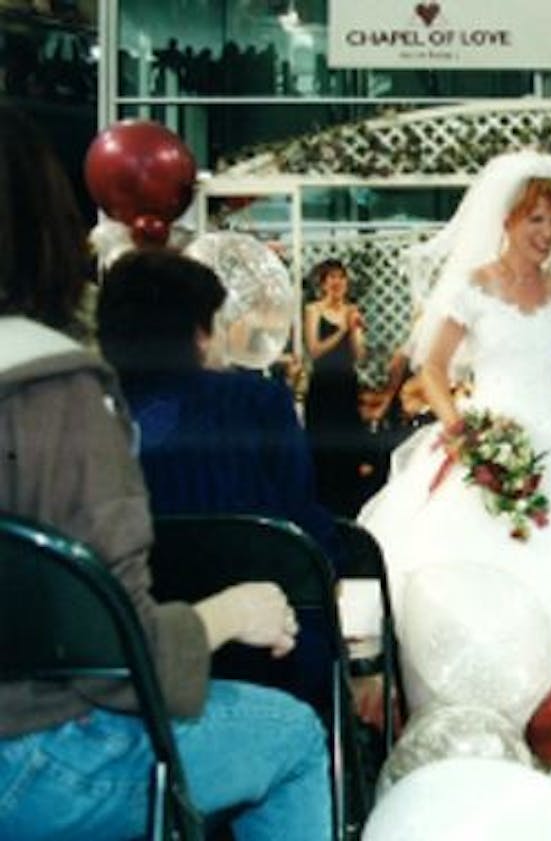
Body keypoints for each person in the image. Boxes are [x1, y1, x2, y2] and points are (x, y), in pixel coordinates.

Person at [0, 105, 329, 840]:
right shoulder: (54, 393)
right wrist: (233, 611)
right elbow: (112, 658)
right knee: (298, 738)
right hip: (37, 756)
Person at [358, 152, 551, 717]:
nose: (547, 235)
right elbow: (433, 368)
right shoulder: (473, 288)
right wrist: (461, 433)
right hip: (485, 432)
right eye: (536, 221)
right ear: (507, 221)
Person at [96, 248, 347, 718]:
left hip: (127, 664)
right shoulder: (257, 404)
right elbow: (305, 528)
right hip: (268, 660)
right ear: (199, 332)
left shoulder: (87, 414)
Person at [304, 258, 366, 515]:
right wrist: (341, 330)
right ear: (322, 283)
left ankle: (350, 506)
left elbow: (360, 355)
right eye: (331, 277)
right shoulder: (313, 310)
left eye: (341, 277)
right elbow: (315, 350)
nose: (337, 282)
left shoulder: (352, 310)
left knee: (347, 446)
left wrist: (355, 330)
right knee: (322, 445)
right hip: (323, 385)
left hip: (346, 384)